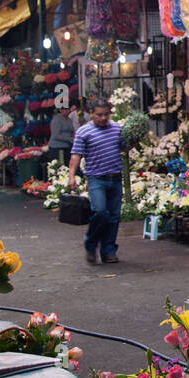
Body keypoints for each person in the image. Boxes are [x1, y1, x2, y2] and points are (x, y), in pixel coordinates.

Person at [68, 99, 123, 265]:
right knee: (100, 212)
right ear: (91, 114)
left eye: (106, 114)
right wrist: (71, 176)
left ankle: (108, 252)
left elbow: (123, 147)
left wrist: (134, 139)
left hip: (115, 177)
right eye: (99, 114)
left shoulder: (117, 129)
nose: (103, 118)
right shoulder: (84, 132)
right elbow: (76, 155)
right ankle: (91, 245)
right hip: (96, 179)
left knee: (113, 217)